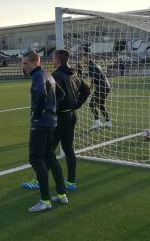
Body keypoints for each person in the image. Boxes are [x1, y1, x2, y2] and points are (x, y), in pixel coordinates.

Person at [20, 52, 67, 212]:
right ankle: (61, 194)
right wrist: (51, 110)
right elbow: (61, 94)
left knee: (36, 159)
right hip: (51, 123)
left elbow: (41, 94)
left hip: (40, 124)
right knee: (50, 158)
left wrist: (38, 112)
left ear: (34, 62)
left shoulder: (38, 76)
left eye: (25, 63)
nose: (23, 67)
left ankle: (45, 200)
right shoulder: (48, 75)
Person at [51, 49, 90, 190]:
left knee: (48, 151)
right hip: (72, 115)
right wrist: (77, 105)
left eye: (53, 58)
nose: (52, 61)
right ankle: (71, 182)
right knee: (68, 148)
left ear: (57, 60)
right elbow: (86, 90)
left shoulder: (56, 75)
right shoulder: (73, 74)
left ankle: (39, 180)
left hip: (61, 117)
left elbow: (53, 98)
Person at [81, 49, 111, 130]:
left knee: (91, 104)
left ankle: (98, 123)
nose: (83, 60)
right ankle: (108, 122)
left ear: (88, 58)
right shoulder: (96, 65)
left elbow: (95, 78)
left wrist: (89, 86)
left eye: (84, 58)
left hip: (101, 86)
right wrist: (91, 85)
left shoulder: (91, 66)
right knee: (100, 104)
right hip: (107, 86)